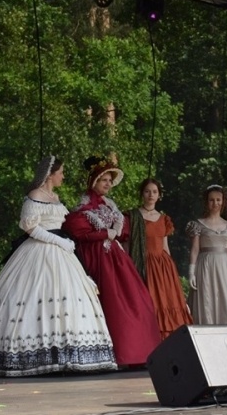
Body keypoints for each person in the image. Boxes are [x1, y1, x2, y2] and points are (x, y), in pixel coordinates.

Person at [0, 155, 117, 375]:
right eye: (61, 172)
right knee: (30, 296)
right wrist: (59, 241)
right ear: (50, 174)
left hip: (63, 255)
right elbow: (30, 227)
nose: (63, 176)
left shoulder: (55, 197)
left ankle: (67, 353)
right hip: (37, 251)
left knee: (69, 298)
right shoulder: (35, 196)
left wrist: (65, 242)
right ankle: (29, 355)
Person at [62, 156, 161, 366]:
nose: (108, 184)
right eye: (103, 180)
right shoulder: (85, 205)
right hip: (98, 257)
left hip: (115, 257)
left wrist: (114, 232)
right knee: (111, 302)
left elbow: (123, 231)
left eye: (109, 180)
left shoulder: (109, 205)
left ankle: (140, 352)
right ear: (93, 181)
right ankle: (119, 353)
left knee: (137, 299)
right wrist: (105, 233)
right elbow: (77, 231)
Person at [126, 178, 193, 339]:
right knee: (149, 303)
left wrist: (171, 271)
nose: (151, 195)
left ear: (159, 195)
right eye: (147, 191)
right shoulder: (133, 216)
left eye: (154, 192)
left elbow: (165, 246)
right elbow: (127, 244)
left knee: (168, 301)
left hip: (163, 266)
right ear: (142, 193)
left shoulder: (164, 219)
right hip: (143, 263)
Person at [186, 184, 227, 324]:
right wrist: (191, 271)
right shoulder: (198, 224)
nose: (215, 203)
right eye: (211, 200)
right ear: (206, 201)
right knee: (207, 299)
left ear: (223, 201)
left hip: (224, 267)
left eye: (218, 200)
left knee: (226, 300)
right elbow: (195, 249)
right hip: (205, 266)